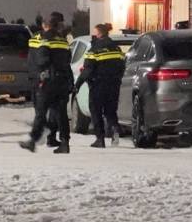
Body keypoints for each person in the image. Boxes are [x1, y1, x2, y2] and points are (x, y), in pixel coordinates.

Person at [21, 16, 72, 154]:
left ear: (46, 26)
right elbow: (68, 59)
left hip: (48, 81)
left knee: (41, 112)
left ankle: (32, 141)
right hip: (62, 81)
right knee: (61, 114)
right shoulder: (63, 40)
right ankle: (65, 143)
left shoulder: (45, 39)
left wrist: (40, 72)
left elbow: (42, 59)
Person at [74, 23, 126, 148]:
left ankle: (100, 139)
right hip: (113, 85)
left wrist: (78, 84)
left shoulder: (94, 49)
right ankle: (114, 132)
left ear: (99, 34)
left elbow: (87, 70)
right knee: (111, 111)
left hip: (98, 85)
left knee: (96, 111)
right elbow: (122, 66)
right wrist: (117, 79)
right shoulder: (116, 48)